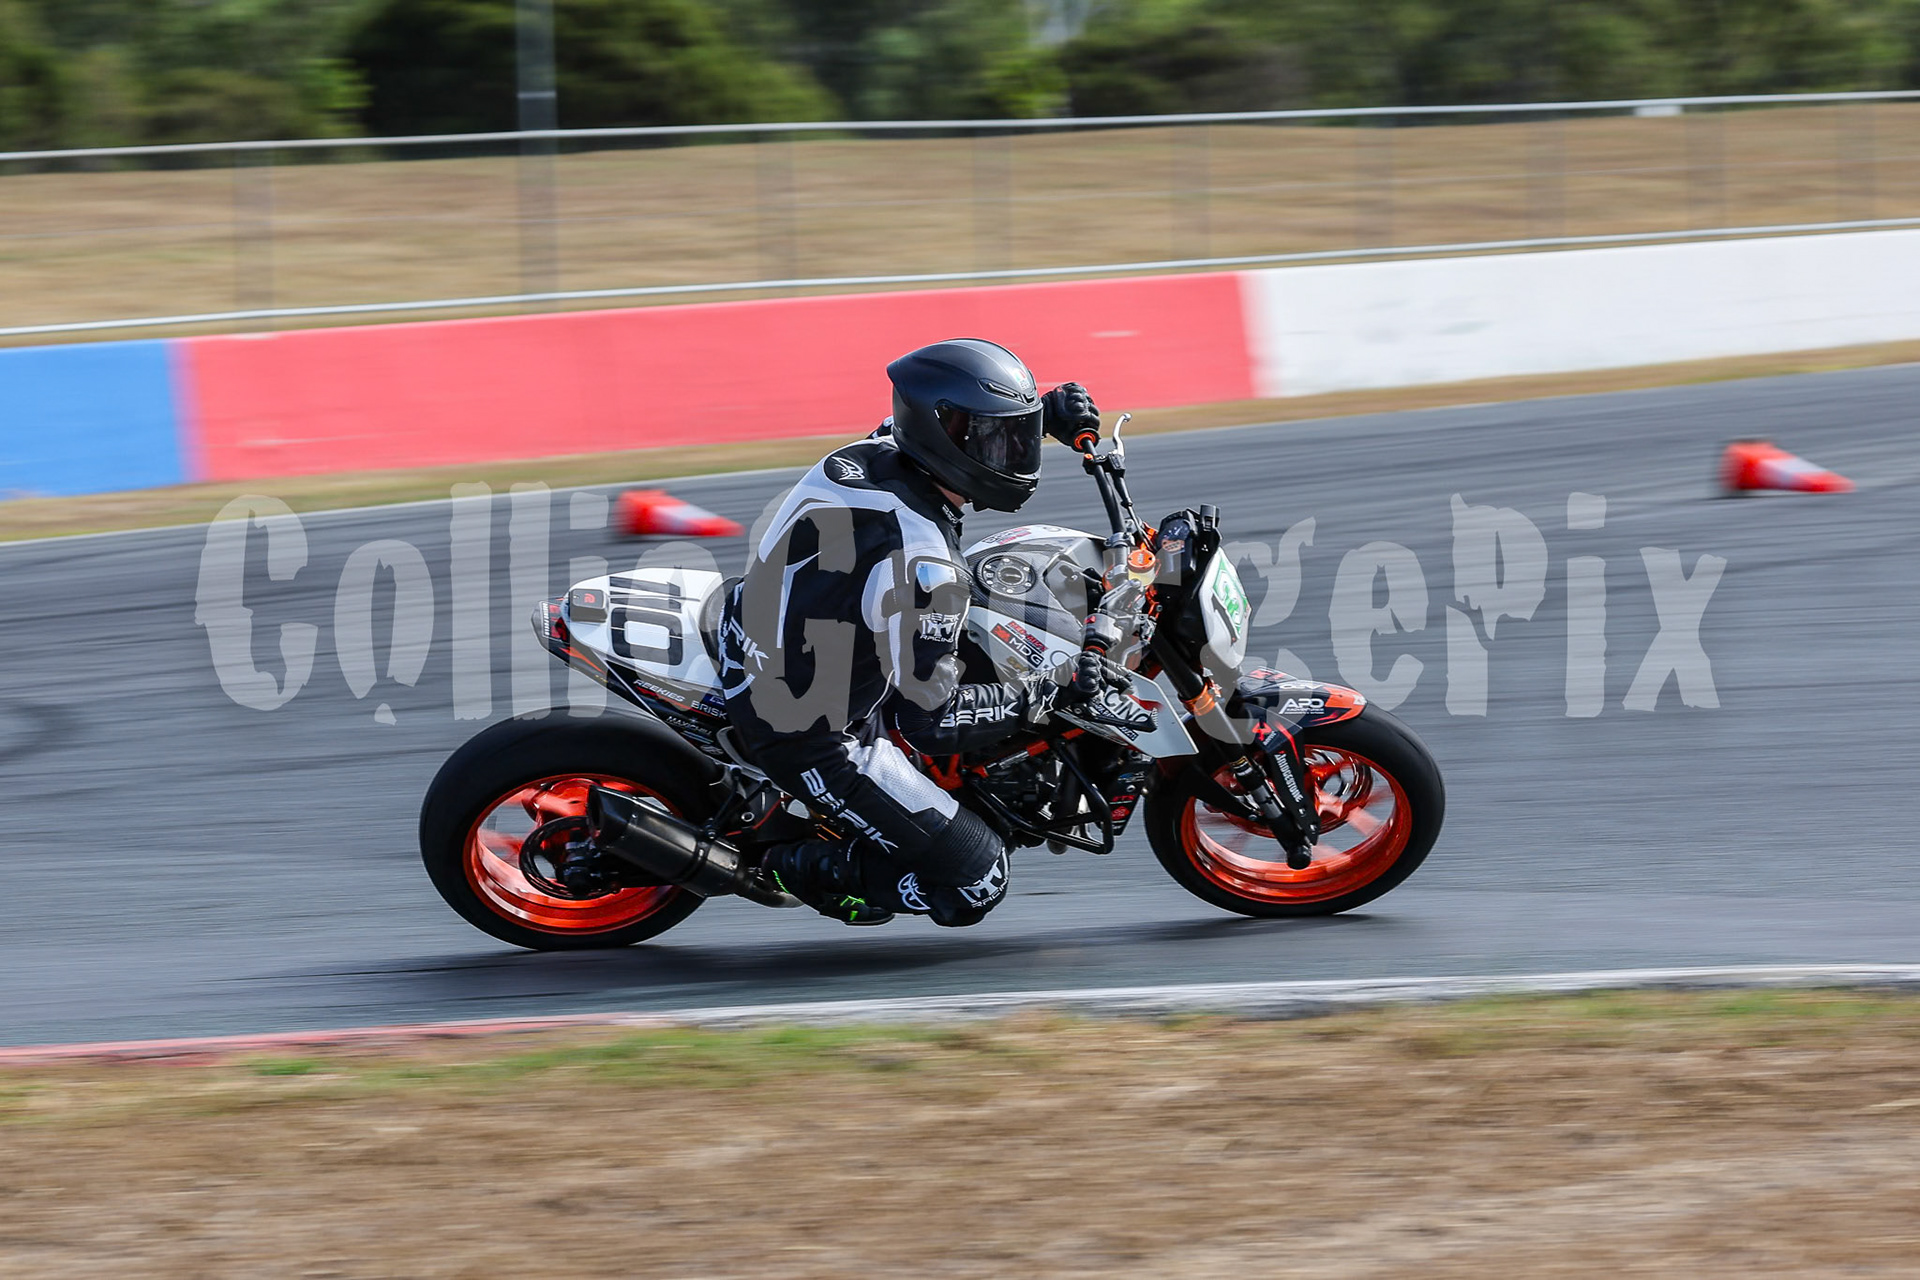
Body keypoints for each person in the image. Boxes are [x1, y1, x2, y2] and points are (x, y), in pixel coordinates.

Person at [717, 337, 1124, 926]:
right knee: (978, 883)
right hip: (810, 728)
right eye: (997, 440)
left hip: (771, 629)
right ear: (942, 435)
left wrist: (1045, 415)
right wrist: (1051, 694)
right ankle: (787, 864)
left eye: (1017, 436)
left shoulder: (879, 450)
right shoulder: (927, 566)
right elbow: (930, 722)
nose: (1013, 454)